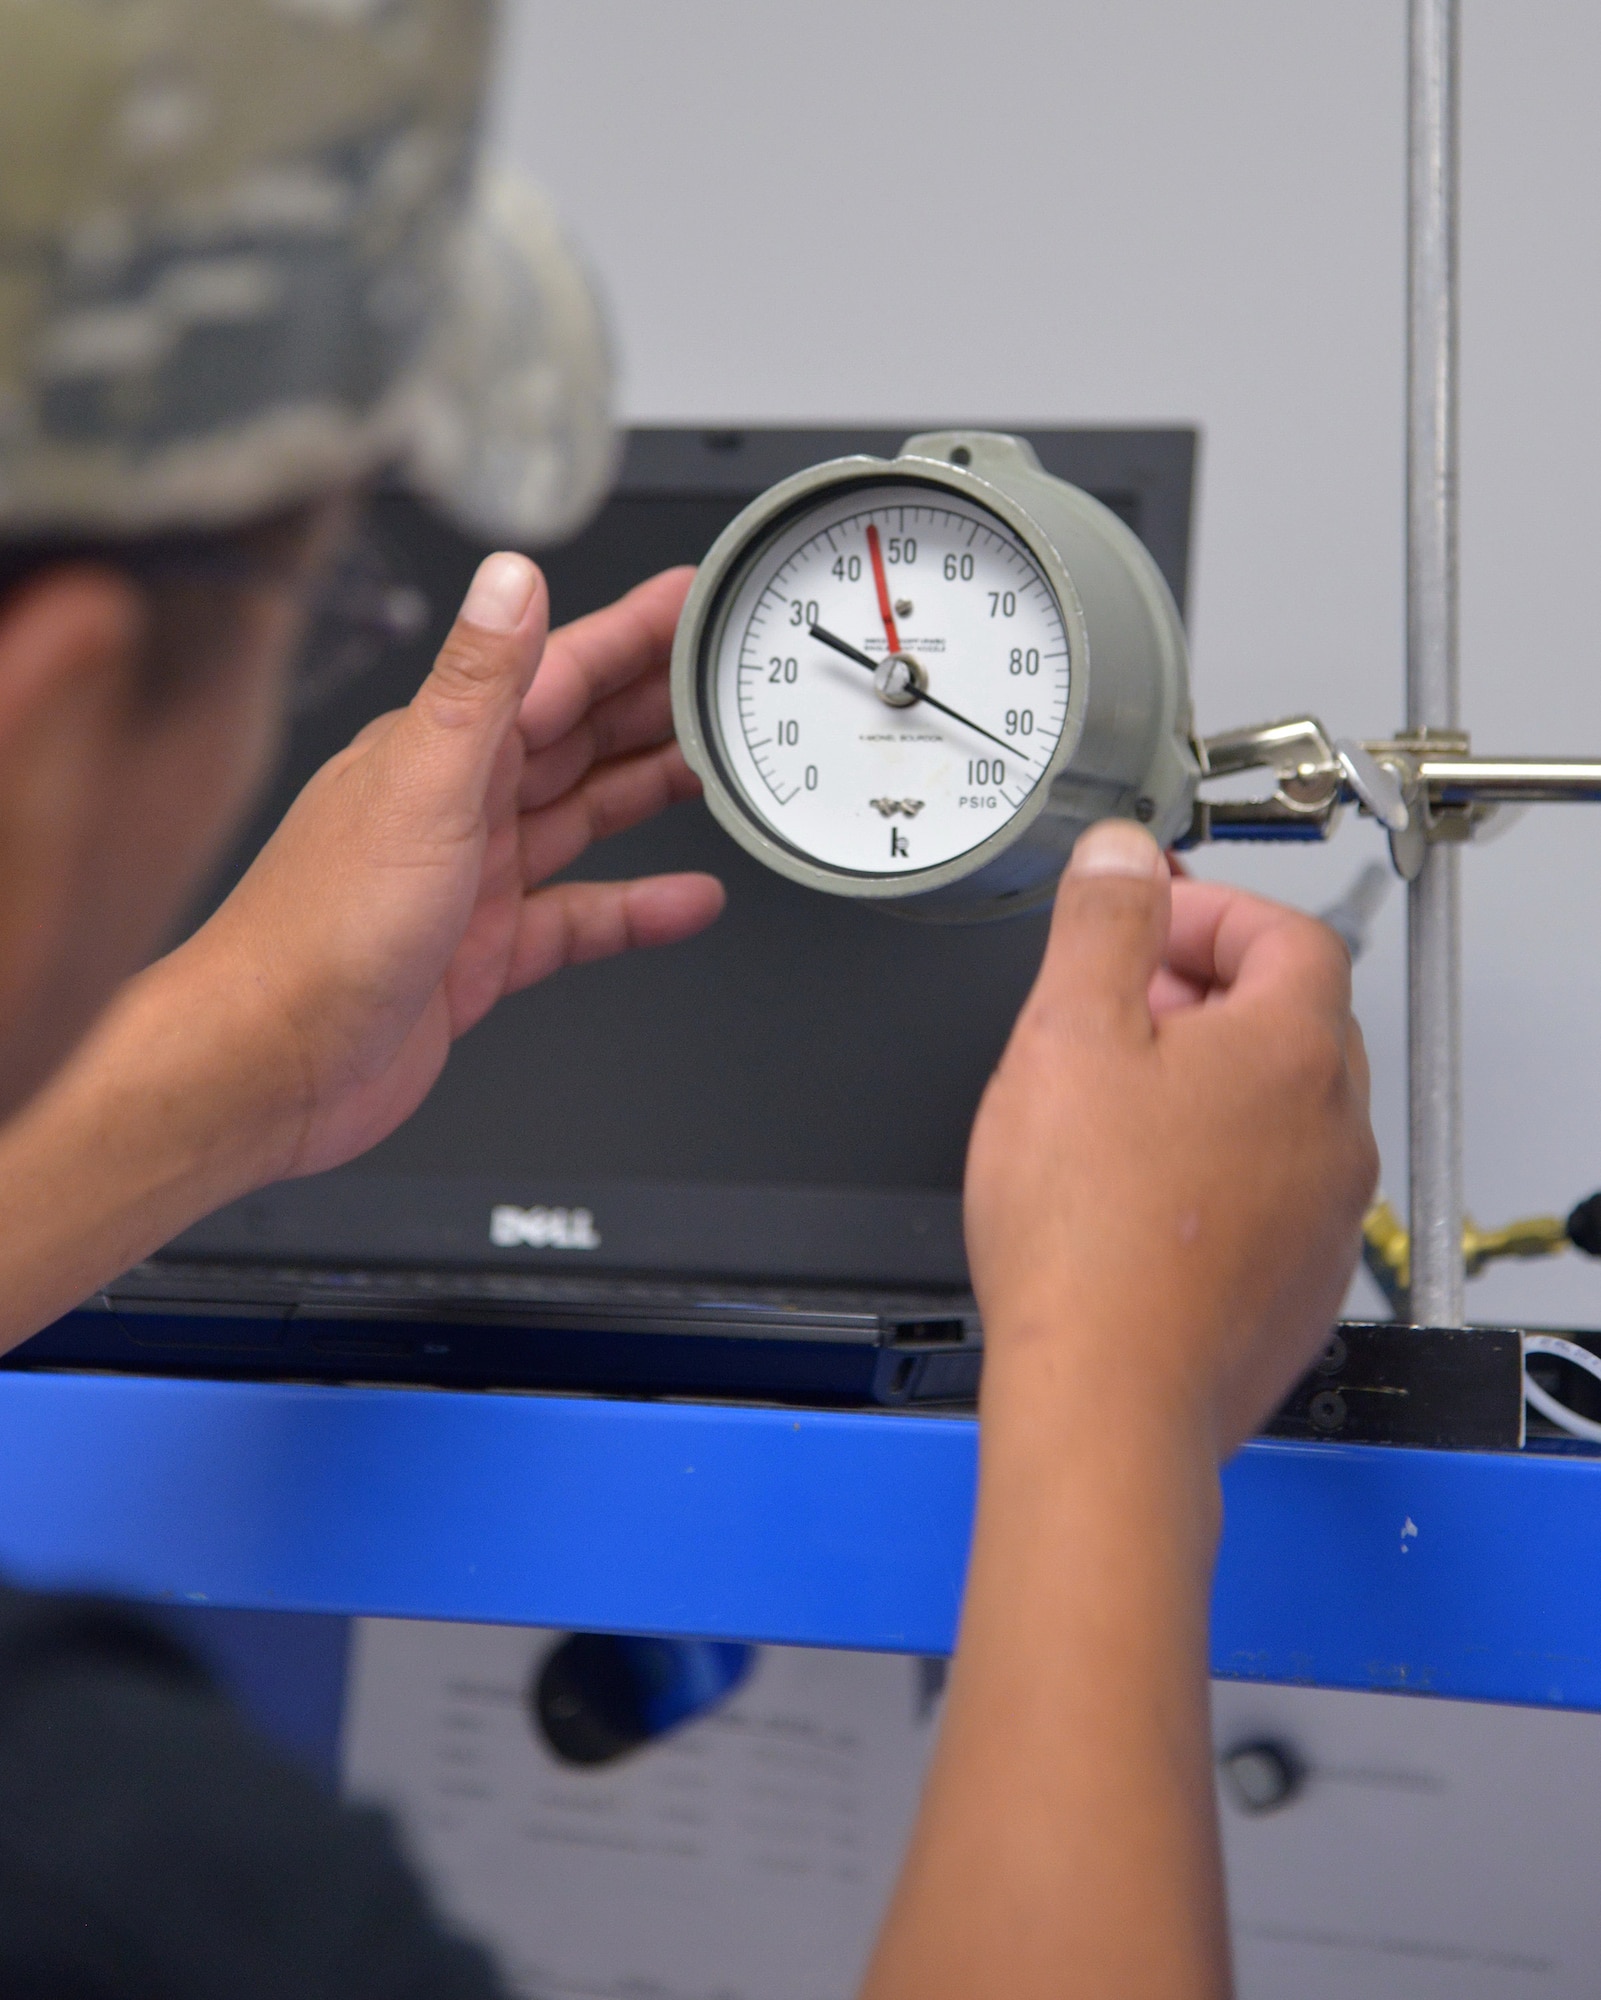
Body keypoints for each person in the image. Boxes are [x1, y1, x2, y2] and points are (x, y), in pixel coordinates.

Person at [0, 3, 1378, 1994]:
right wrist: (1120, 1384)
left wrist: (259, 1056)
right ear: (51, 730)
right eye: (316, 602)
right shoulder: (112, 1872)